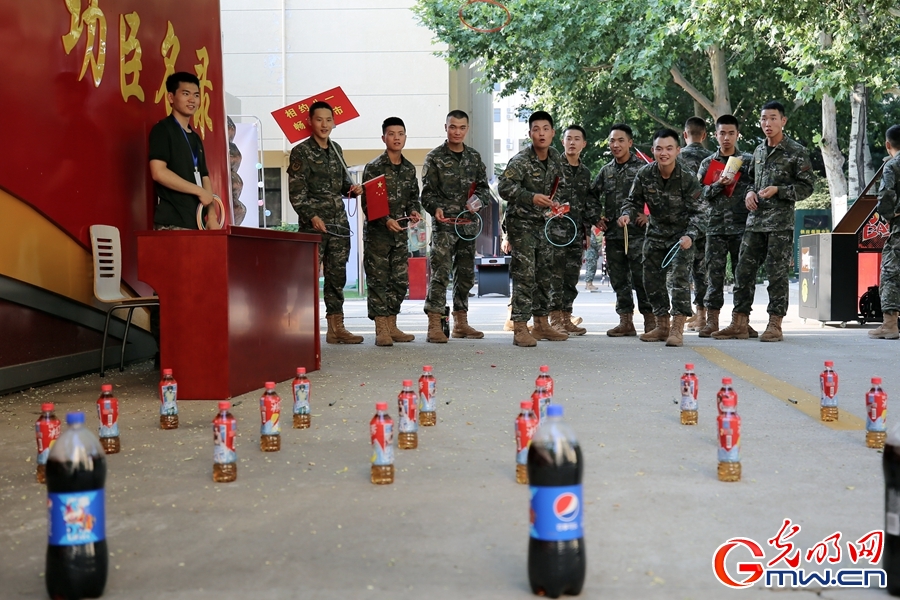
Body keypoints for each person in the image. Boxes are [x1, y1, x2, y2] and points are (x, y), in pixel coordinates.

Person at [714, 101, 814, 341]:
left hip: (779, 224)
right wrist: (749, 192)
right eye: (763, 119)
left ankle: (774, 324)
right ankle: (739, 322)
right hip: (754, 222)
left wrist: (778, 190)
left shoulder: (796, 151)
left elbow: (807, 187)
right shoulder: (758, 151)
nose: (767, 123)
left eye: (772, 118)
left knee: (776, 274)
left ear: (783, 121)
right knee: (743, 271)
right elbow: (750, 180)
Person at [618, 128, 704, 347]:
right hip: (655, 234)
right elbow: (632, 201)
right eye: (659, 149)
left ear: (678, 150)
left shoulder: (687, 177)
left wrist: (690, 236)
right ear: (652, 150)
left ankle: (677, 327)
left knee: (678, 280)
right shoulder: (645, 174)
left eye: (668, 149)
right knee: (651, 279)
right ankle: (662, 325)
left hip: (681, 237)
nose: (663, 153)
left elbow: (700, 213)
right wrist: (626, 214)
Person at [288, 101, 364, 344]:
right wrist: (312, 216)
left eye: (328, 120)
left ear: (334, 122)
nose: (324, 124)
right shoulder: (301, 152)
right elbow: (296, 192)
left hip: (339, 223)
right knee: (306, 277)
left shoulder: (336, 149)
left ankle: (336, 327)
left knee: (337, 276)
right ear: (310, 122)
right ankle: (301, 328)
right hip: (315, 225)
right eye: (319, 119)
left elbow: (342, 185)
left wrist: (353, 189)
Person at [499, 110, 570, 346]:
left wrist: (555, 202)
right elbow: (504, 188)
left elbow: (559, 185)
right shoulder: (520, 161)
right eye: (536, 129)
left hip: (544, 224)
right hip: (521, 224)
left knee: (544, 274)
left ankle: (541, 324)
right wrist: (531, 197)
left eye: (545, 129)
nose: (541, 134)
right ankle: (520, 326)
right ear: (530, 133)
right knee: (525, 274)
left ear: (552, 133)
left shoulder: (556, 158)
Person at [420, 110, 491, 343]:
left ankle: (461, 322)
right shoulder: (435, 158)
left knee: (466, 274)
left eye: (461, 127)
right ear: (446, 128)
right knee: (440, 274)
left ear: (467, 129)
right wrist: (435, 209)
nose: (457, 131)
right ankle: (434, 323)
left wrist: (477, 202)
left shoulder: (474, 157)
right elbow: (427, 194)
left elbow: (484, 189)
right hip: (444, 227)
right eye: (453, 127)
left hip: (467, 226)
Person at [361, 117, 422, 346]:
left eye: (401, 133)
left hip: (400, 234)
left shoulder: (407, 168)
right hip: (379, 234)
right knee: (379, 279)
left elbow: (412, 197)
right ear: (383, 137)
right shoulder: (375, 167)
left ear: (405, 137)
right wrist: (386, 219)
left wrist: (414, 211)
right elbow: (368, 203)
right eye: (391, 134)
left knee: (399, 280)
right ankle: (381, 329)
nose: (396, 138)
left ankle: (392, 324)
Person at [590, 124, 652, 336]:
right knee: (619, 279)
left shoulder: (643, 169)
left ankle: (651, 322)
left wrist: (649, 216)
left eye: (620, 141)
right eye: (612, 141)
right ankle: (626, 321)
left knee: (642, 278)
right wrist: (597, 218)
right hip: (614, 234)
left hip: (638, 234)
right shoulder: (606, 171)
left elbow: (659, 195)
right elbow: (591, 197)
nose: (615, 145)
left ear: (630, 143)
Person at [696, 115, 754, 338]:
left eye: (731, 133)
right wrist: (718, 184)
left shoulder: (748, 162)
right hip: (715, 228)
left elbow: (757, 186)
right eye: (722, 133)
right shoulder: (708, 163)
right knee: (714, 275)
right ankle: (712, 321)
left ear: (737, 134)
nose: (726, 137)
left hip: (742, 227)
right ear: (715, 135)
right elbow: (699, 195)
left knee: (744, 276)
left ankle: (742, 320)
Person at [148, 72, 222, 231]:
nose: (192, 100)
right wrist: (198, 190)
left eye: (196, 95)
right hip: (172, 223)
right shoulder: (162, 130)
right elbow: (158, 172)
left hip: (197, 223)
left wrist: (212, 216)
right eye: (185, 94)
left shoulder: (195, 138)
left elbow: (204, 177)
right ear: (170, 97)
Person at [548, 125, 592, 336]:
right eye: (568, 139)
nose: (572, 142)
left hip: (576, 232)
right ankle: (554, 319)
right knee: (555, 276)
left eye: (577, 139)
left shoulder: (585, 172)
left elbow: (587, 203)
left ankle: (567, 317)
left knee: (571, 277)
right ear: (562, 142)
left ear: (584, 144)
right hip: (555, 232)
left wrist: (592, 227)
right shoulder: (553, 167)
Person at [679, 116, 713, 332]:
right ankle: (702, 315)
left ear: (685, 135)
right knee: (702, 270)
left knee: (682, 270)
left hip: (682, 222)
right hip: (706, 221)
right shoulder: (712, 160)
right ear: (705, 135)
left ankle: (682, 316)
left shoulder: (676, 158)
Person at [869, 124, 900, 339]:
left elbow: (886, 196)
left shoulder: (892, 165)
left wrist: (889, 214)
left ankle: (890, 325)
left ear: (888, 145)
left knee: (891, 272)